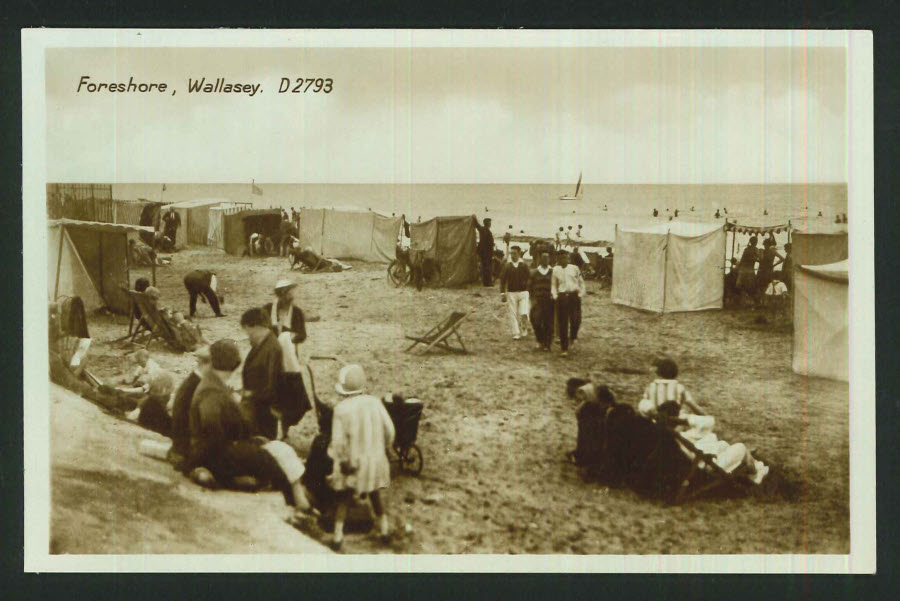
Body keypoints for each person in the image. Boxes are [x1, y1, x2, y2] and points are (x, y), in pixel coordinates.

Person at [184, 339, 313, 518]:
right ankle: (299, 505)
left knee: (276, 453)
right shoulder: (211, 392)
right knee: (272, 461)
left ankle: (298, 500)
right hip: (216, 453)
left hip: (219, 449)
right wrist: (241, 444)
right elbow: (213, 431)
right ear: (234, 364)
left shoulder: (213, 384)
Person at [637, 358, 768, 484]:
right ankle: (756, 473)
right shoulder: (679, 389)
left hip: (667, 431)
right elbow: (703, 417)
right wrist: (689, 419)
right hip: (701, 467)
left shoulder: (651, 390)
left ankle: (755, 465)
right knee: (739, 447)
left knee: (721, 444)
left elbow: (644, 407)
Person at [327, 364, 395, 550]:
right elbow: (389, 429)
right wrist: (386, 447)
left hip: (353, 461)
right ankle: (384, 530)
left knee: (344, 498)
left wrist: (339, 459)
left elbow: (339, 442)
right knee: (374, 493)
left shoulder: (341, 410)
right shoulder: (374, 402)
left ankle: (338, 535)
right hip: (374, 459)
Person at [263, 280, 313, 433]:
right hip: (270, 359)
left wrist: (290, 338)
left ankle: (285, 429)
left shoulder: (296, 312)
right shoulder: (266, 310)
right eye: (291, 292)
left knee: (290, 396)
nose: (294, 295)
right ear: (283, 294)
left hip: (289, 359)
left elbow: (302, 335)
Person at [240, 307, 283, 439]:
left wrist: (249, 393)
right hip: (258, 407)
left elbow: (270, 384)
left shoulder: (270, 349)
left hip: (263, 411)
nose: (247, 334)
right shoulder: (263, 344)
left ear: (256, 326)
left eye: (247, 330)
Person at [168, 345, 211, 467]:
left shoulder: (192, 381)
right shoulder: (196, 385)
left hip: (182, 442)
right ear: (206, 364)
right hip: (186, 447)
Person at [551, 251, 585, 356]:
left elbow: (581, 282)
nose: (563, 260)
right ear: (557, 259)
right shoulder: (555, 270)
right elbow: (553, 284)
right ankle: (564, 348)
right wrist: (555, 295)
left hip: (574, 296)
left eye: (565, 258)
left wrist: (580, 294)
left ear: (568, 258)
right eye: (561, 258)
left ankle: (573, 336)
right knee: (563, 323)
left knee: (576, 320)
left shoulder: (574, 268)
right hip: (562, 297)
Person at [500, 246, 531, 341]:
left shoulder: (524, 265)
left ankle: (524, 327)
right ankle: (516, 332)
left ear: (519, 253)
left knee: (524, 312)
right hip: (511, 292)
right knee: (512, 313)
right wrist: (502, 293)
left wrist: (528, 288)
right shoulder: (507, 266)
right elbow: (503, 280)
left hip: (523, 292)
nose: (513, 255)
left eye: (515, 253)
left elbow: (529, 278)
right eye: (511, 253)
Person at [528, 251, 554, 351]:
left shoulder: (553, 272)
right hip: (538, 300)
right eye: (543, 258)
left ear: (549, 259)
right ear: (539, 259)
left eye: (547, 258)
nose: (545, 260)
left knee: (549, 323)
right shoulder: (534, 272)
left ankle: (547, 344)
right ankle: (540, 340)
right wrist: (532, 299)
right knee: (536, 320)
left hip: (549, 300)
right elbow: (529, 287)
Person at [735, 236, 760, 300]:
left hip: (743, 269)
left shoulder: (746, 249)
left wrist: (738, 267)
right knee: (750, 285)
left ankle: (744, 297)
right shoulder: (755, 249)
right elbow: (760, 258)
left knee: (740, 284)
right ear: (756, 242)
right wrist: (754, 258)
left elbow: (742, 259)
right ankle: (747, 298)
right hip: (749, 269)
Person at [475, 217, 495, 286]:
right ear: (487, 223)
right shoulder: (485, 230)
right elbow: (489, 244)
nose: (490, 224)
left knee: (485, 267)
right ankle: (487, 283)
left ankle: (486, 282)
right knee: (487, 267)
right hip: (486, 253)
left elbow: (477, 226)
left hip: (483, 252)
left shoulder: (483, 230)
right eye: (489, 222)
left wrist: (474, 218)